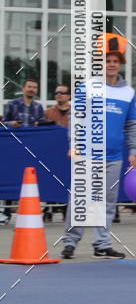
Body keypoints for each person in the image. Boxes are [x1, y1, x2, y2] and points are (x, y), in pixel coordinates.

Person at [61, 34, 136, 259]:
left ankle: (102, 244)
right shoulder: (86, 87)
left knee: (107, 201)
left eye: (115, 61)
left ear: (120, 64)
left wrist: (133, 151)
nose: (111, 64)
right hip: (86, 154)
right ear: (100, 63)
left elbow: (132, 125)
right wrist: (73, 144)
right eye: (107, 60)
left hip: (114, 157)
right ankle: (70, 242)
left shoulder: (128, 93)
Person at [1, 79, 45, 222]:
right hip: (14, 147)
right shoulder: (12, 104)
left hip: (31, 148)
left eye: (34, 87)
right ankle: (6, 212)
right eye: (29, 87)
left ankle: (34, 210)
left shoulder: (38, 107)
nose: (32, 89)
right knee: (12, 176)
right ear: (23, 88)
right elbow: (2, 124)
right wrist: (11, 124)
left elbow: (42, 126)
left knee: (32, 177)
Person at [43, 86, 71, 221]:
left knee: (69, 181)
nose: (59, 95)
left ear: (69, 96)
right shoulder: (47, 112)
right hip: (52, 154)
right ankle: (49, 209)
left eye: (62, 92)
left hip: (70, 154)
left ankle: (67, 210)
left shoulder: (77, 112)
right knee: (52, 180)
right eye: (57, 93)